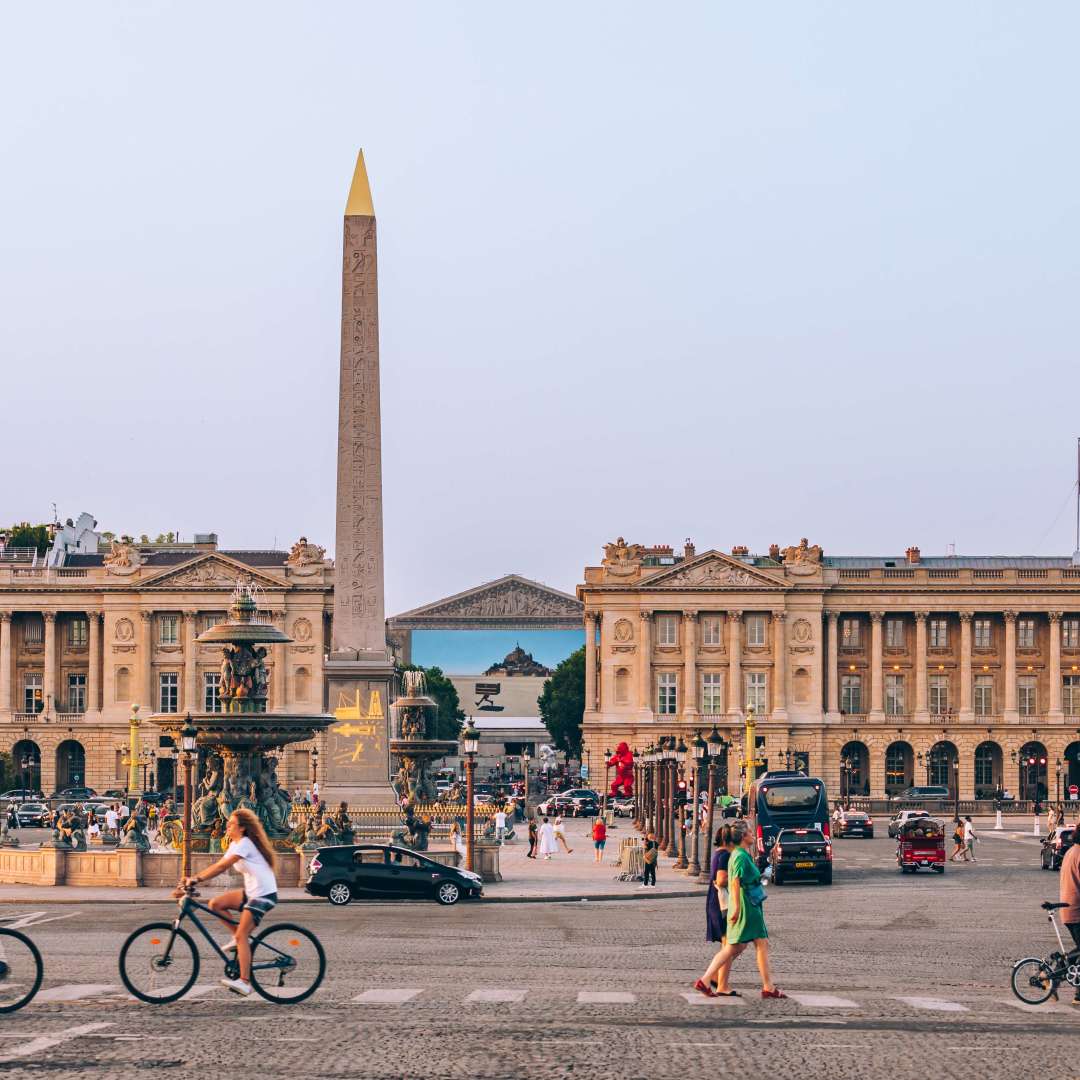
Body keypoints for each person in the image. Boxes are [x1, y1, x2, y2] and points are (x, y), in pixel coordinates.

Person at [179, 807, 278, 997]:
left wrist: (196, 879)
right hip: (252, 892)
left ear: (242, 828)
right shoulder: (235, 844)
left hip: (263, 895)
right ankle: (239, 939)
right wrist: (189, 881)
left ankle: (244, 982)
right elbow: (218, 865)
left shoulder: (246, 843)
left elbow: (223, 866)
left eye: (231, 824)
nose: (227, 826)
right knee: (216, 904)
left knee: (242, 936)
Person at [700, 821, 785, 999]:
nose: (753, 834)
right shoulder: (739, 856)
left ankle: (708, 979)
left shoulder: (741, 854)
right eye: (750, 832)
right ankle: (767, 986)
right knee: (757, 944)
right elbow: (734, 881)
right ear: (743, 837)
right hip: (747, 905)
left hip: (749, 903)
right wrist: (737, 908)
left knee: (736, 946)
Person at [697, 825, 736, 995]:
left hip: (715, 902)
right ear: (729, 840)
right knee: (730, 945)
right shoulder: (725, 855)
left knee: (729, 945)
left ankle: (717, 981)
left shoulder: (718, 853)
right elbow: (721, 880)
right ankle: (715, 981)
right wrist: (738, 879)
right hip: (722, 904)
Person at [1059, 821, 1080, 1005]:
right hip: (1076, 910)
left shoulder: (1071, 851)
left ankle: (1056, 972)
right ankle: (1078, 996)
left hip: (1069, 908)